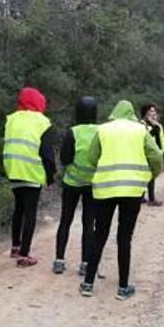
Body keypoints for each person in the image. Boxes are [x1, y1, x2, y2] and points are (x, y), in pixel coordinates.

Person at [80, 100, 163, 300]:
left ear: (114, 113)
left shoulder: (103, 130)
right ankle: (123, 287)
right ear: (131, 113)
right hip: (133, 190)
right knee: (124, 238)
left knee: (100, 234)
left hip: (105, 188)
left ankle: (88, 284)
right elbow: (156, 156)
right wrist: (152, 174)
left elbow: (91, 158)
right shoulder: (140, 130)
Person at [2, 86, 56, 267]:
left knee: (19, 208)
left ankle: (15, 246)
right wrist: (50, 175)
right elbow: (47, 154)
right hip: (32, 170)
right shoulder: (43, 122)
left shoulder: (11, 119)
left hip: (13, 169)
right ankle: (24, 255)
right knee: (30, 211)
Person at [53, 96, 98, 275]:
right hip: (92, 184)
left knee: (66, 220)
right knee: (89, 224)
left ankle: (59, 260)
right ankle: (85, 264)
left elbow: (65, 158)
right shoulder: (101, 132)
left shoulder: (73, 132)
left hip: (72, 182)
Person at [139, 103, 164, 206]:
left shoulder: (156, 124)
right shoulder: (142, 124)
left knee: (151, 176)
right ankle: (148, 198)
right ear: (145, 112)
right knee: (146, 176)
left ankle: (144, 198)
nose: (153, 113)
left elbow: (160, 139)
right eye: (151, 111)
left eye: (154, 111)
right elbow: (146, 138)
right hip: (146, 153)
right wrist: (154, 127)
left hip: (155, 153)